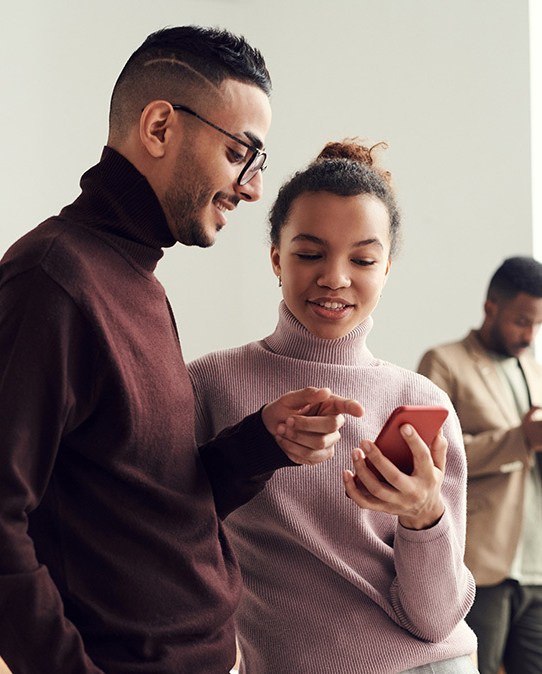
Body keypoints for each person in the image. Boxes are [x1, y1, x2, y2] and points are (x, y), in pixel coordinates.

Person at [0, 25, 363, 674]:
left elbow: (145, 507)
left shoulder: (140, 283)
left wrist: (260, 443)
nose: (250, 188)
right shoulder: (53, 277)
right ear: (160, 127)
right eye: (241, 153)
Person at [189, 140, 478, 674]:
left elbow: (435, 620)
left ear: (387, 268)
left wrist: (422, 517)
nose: (335, 278)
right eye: (309, 253)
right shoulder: (211, 382)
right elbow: (163, 522)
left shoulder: (421, 402)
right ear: (276, 257)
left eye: (363, 259)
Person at [418, 256, 542, 674]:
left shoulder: (539, 373)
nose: (530, 334)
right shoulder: (444, 363)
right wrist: (520, 439)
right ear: (492, 306)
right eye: (522, 320)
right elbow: (433, 461)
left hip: (541, 566)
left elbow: (537, 473)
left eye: (539, 324)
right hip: (481, 567)